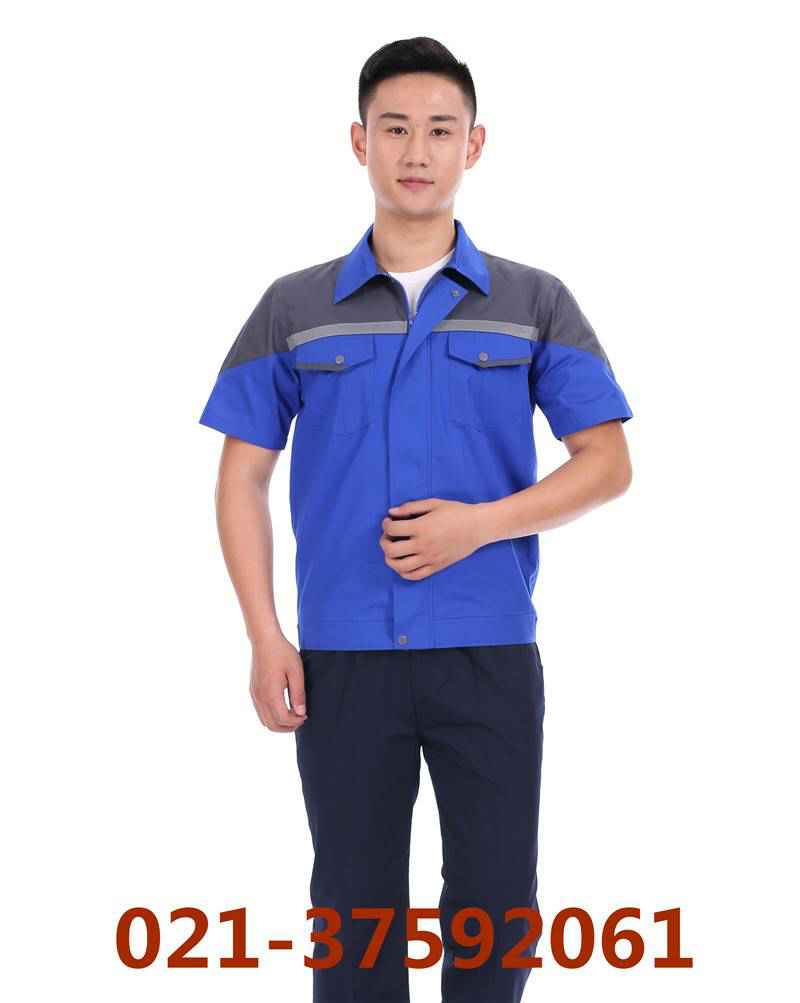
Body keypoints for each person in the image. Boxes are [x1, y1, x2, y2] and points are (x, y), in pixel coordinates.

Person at [198, 35, 634, 1003]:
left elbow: (606, 463)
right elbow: (240, 477)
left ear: (473, 145)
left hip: (487, 648)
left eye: (440, 130)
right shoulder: (293, 307)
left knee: (495, 907)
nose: (416, 150)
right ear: (359, 141)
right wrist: (265, 635)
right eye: (394, 128)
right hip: (343, 654)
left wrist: (478, 525)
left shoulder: (532, 300)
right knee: (353, 917)